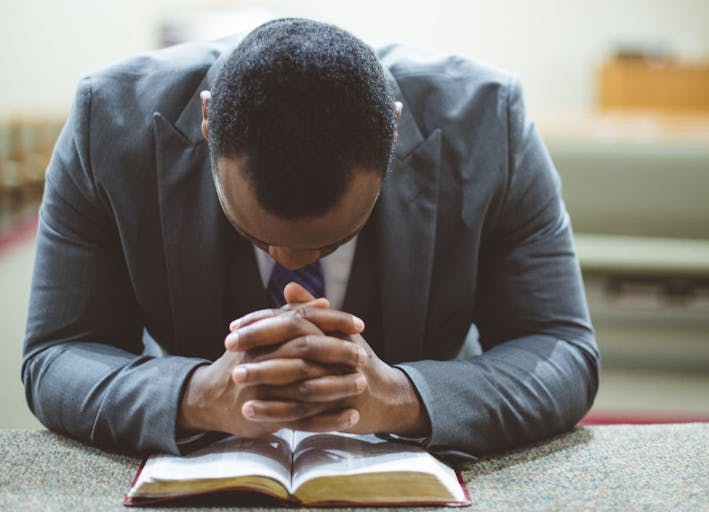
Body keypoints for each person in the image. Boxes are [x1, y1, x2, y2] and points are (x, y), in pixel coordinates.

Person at [22, 18, 599, 460]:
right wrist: (198, 395)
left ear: (393, 133)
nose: (291, 265)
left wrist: (403, 396)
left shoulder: (488, 121)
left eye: (331, 242)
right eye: (255, 233)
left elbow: (561, 350)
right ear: (206, 121)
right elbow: (57, 354)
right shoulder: (109, 122)